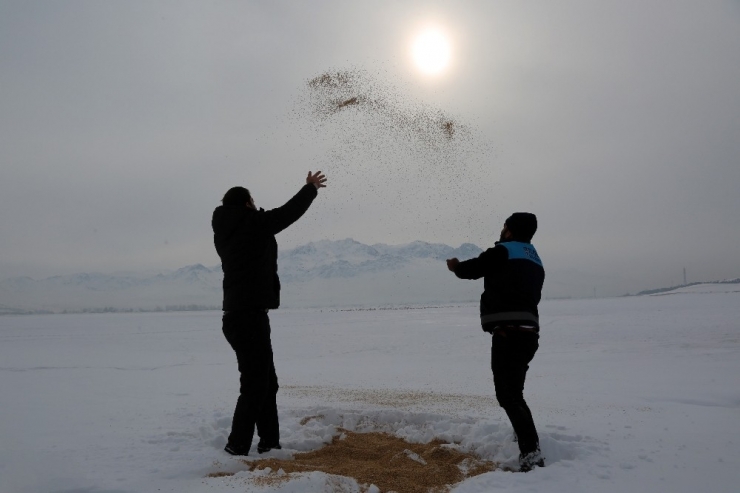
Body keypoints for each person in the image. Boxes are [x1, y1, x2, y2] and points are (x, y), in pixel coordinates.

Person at [212, 170, 327, 456]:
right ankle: (237, 446)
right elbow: (285, 215)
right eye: (252, 200)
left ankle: (270, 443)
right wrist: (310, 189)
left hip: (239, 316)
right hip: (249, 316)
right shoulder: (250, 224)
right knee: (255, 384)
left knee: (265, 383)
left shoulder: (227, 230)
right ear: (247, 202)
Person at [446, 212, 545, 472]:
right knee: (515, 393)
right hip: (529, 334)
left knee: (507, 395)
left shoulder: (503, 251)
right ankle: (524, 438)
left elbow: (473, 269)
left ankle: (531, 454)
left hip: (508, 334)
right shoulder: (534, 258)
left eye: (504, 227)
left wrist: (456, 266)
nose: (502, 231)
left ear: (510, 231)